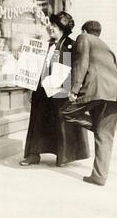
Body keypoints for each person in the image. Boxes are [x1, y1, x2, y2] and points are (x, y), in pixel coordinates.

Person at [20, 11, 89, 167]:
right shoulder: (46, 45)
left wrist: (73, 90)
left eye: (55, 26)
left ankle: (63, 155)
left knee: (60, 122)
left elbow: (76, 68)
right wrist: (33, 87)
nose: (51, 28)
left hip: (60, 91)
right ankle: (33, 154)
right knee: (37, 121)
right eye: (51, 25)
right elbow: (38, 67)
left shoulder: (71, 45)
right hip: (42, 90)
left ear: (63, 29)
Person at [60, 20, 117, 186]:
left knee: (66, 112)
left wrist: (74, 89)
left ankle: (97, 126)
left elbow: (81, 63)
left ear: (84, 30)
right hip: (116, 93)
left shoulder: (84, 37)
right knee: (105, 135)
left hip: (96, 90)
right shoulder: (107, 47)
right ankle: (99, 177)